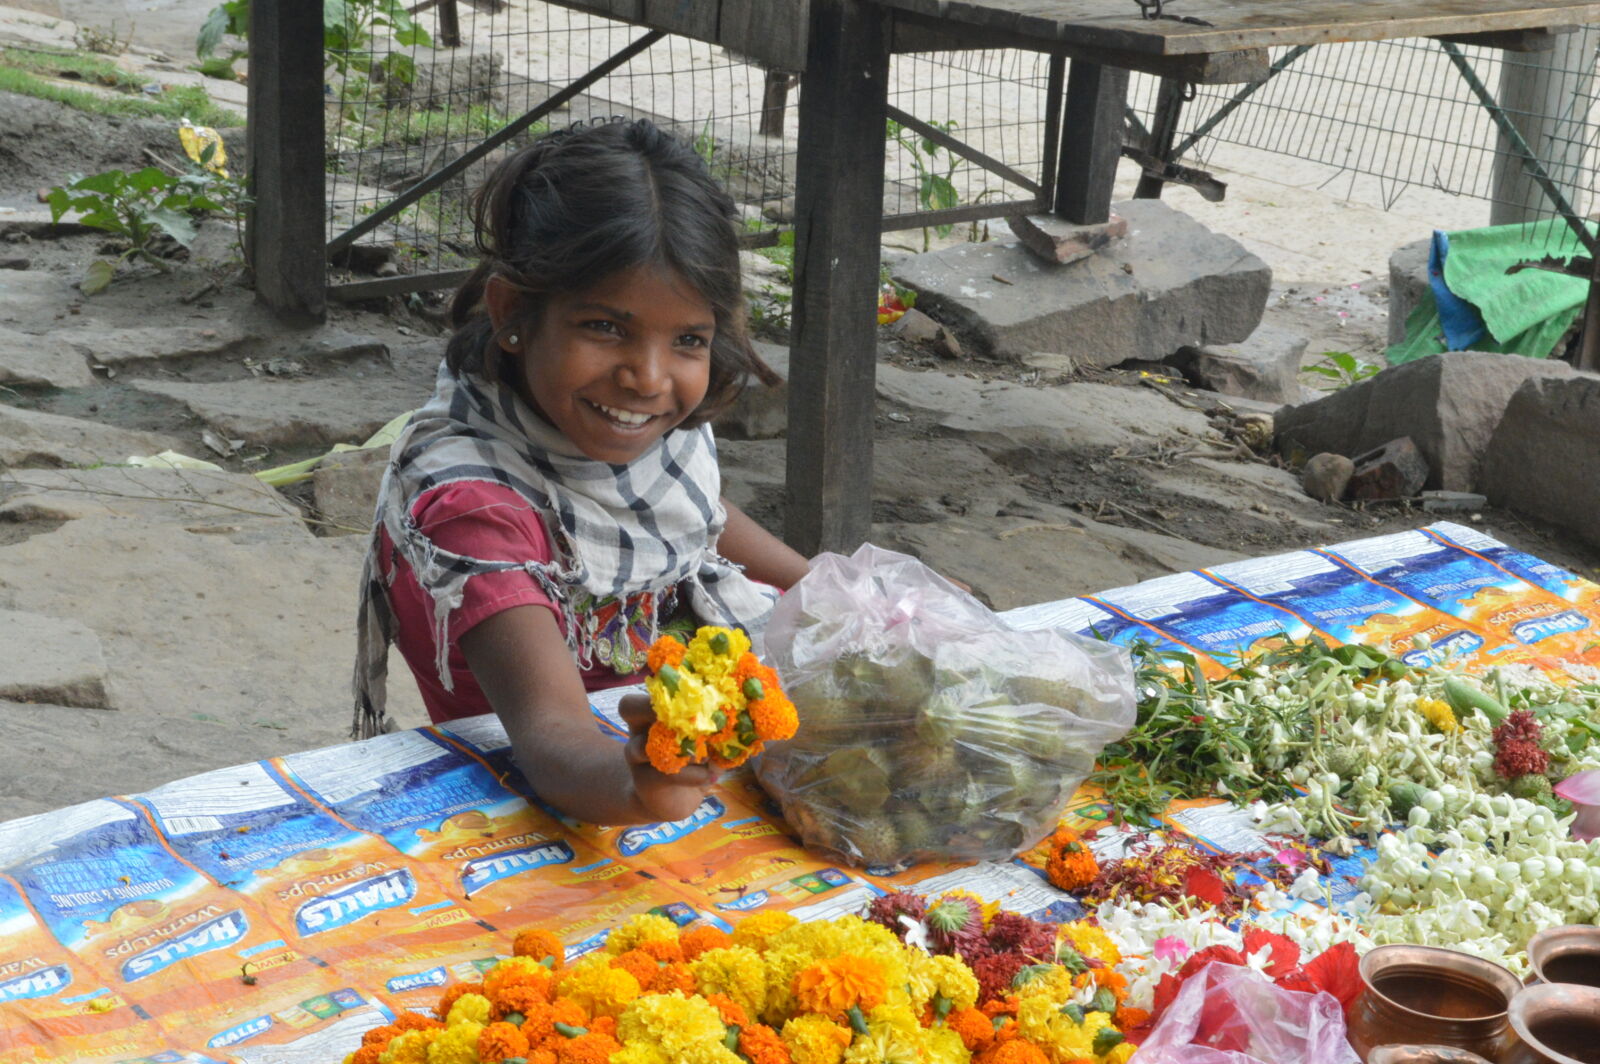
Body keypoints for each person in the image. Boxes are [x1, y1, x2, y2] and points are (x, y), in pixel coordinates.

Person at [352, 118, 810, 827]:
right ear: (511, 313)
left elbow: (700, 514)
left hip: (654, 747)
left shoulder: (612, 432)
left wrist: (830, 586)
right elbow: (553, 735)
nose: (647, 378)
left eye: (688, 340)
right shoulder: (473, 509)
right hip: (558, 794)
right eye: (605, 327)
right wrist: (638, 783)